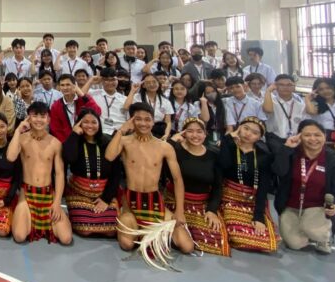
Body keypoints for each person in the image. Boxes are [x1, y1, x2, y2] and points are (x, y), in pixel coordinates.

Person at [105, 105, 193, 264]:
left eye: (147, 119)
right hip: (131, 201)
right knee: (126, 244)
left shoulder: (164, 147)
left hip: (155, 202)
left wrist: (179, 211)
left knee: (187, 246)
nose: (143, 123)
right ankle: (137, 228)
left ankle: (147, 232)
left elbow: (177, 180)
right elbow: (110, 156)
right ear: (131, 121)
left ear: (153, 121)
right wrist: (121, 130)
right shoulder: (124, 141)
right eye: (138, 119)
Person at [274, 120, 335, 254]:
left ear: (324, 137)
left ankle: (324, 237)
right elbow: (278, 171)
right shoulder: (291, 154)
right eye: (307, 135)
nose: (313, 139)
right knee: (295, 244)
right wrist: (287, 148)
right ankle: (304, 230)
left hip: (317, 209)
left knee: (313, 228)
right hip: (291, 207)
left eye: (317, 135)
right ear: (299, 137)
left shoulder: (334, 162)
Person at [6, 102, 72, 244]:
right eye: (34, 115)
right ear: (28, 118)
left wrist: (57, 202)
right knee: (19, 236)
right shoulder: (22, 139)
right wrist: (18, 131)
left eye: (43, 116)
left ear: (48, 119)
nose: (39, 120)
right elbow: (11, 157)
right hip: (27, 194)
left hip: (48, 194)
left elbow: (60, 174)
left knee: (66, 239)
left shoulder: (55, 143)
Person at [166, 119, 228, 256]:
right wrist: (172, 140)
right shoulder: (175, 151)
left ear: (206, 134)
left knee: (215, 239)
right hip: (175, 202)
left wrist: (212, 210)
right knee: (183, 241)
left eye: (199, 131)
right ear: (183, 133)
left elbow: (218, 187)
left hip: (200, 205)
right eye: (190, 131)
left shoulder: (214, 155)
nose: (195, 135)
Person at [217, 116, 278, 253]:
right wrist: (228, 139)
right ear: (239, 128)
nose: (248, 133)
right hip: (229, 198)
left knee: (264, 240)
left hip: (252, 200)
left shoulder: (263, 155)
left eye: (254, 132)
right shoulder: (230, 146)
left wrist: (258, 216)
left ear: (259, 137)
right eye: (245, 128)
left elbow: (263, 187)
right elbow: (223, 165)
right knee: (238, 236)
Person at [63, 109, 119, 238]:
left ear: (99, 124)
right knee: (85, 229)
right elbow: (69, 158)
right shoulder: (74, 140)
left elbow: (116, 174)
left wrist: (106, 199)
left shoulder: (108, 142)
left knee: (111, 230)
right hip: (79, 193)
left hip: (103, 193)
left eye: (94, 122)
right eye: (85, 122)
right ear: (79, 124)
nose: (90, 125)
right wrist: (74, 134)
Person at [49, 73, 101, 143]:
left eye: (68, 84)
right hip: (67, 141)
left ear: (74, 85)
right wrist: (67, 143)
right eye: (62, 85)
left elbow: (97, 112)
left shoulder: (84, 99)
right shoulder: (56, 106)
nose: (65, 88)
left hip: (86, 138)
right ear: (59, 87)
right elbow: (55, 128)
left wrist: (82, 95)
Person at [262, 74, 306, 155]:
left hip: (295, 139)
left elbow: (304, 125)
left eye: (289, 85)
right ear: (275, 86)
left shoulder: (300, 105)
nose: (285, 87)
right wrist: (268, 91)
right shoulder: (271, 102)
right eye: (281, 84)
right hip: (274, 139)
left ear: (294, 87)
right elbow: (268, 110)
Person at [124, 74, 173, 139]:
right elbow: (126, 107)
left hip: (157, 131)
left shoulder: (165, 101)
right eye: (148, 83)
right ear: (143, 85)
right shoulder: (137, 97)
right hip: (140, 128)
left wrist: (166, 134)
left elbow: (168, 122)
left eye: (154, 82)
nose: (152, 84)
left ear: (158, 83)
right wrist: (133, 91)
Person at [88, 68, 128, 136]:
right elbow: (80, 95)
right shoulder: (94, 94)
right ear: (102, 80)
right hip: (101, 132)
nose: (110, 83)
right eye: (106, 80)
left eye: (113, 79)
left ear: (117, 80)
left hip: (120, 132)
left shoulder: (124, 99)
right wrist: (91, 81)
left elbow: (128, 118)